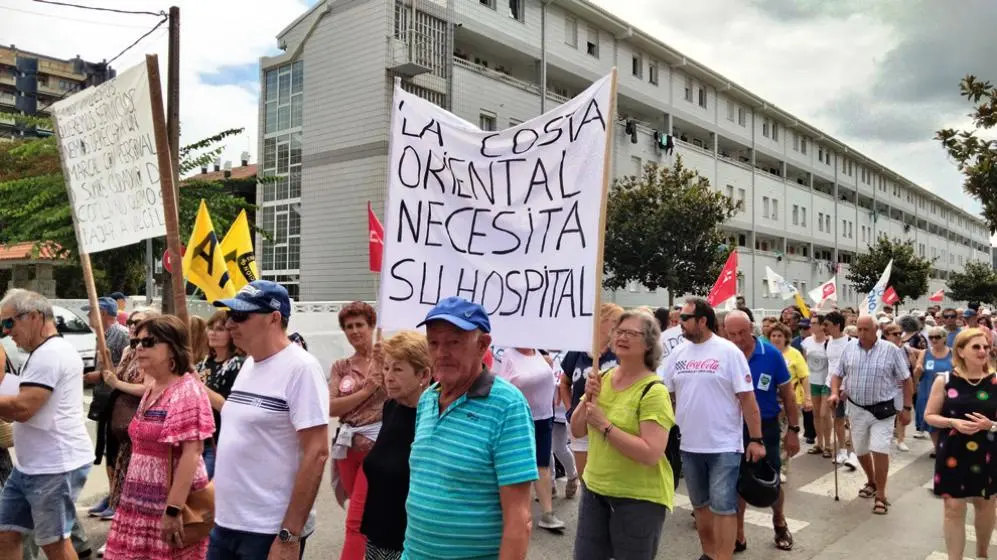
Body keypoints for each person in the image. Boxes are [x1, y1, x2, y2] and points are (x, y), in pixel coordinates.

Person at [404, 297, 537, 558]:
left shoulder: (507, 406)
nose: (442, 353)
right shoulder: (428, 399)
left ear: (482, 345)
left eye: (454, 342)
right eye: (434, 343)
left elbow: (519, 519)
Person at [209, 281, 329, 559]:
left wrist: (289, 535)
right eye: (229, 316)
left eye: (240, 316)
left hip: (266, 530)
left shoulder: (302, 368)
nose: (229, 324)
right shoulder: (250, 363)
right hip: (226, 523)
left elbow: (317, 453)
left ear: (274, 319)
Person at [102, 315, 216, 559]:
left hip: (168, 502)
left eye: (149, 342)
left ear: (173, 348)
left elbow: (191, 453)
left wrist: (173, 510)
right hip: (140, 501)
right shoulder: (153, 388)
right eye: (136, 343)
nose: (139, 348)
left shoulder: (186, 390)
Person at [660, 299, 765, 560]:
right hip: (689, 445)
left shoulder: (728, 352)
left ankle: (724, 557)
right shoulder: (678, 354)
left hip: (724, 446)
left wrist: (756, 439)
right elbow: (665, 393)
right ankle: (709, 553)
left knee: (723, 506)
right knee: (701, 507)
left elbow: (748, 399)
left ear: (703, 321)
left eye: (684, 318)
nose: (679, 323)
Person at [570, 310, 674, 560]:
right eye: (619, 331)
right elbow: (576, 430)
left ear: (649, 343)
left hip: (638, 499)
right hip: (595, 490)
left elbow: (650, 453)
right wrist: (586, 401)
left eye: (631, 333)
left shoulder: (653, 391)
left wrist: (606, 426)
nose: (622, 337)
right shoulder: (602, 378)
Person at [0, 289, 94, 560]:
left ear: (33, 317)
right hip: (33, 466)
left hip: (54, 467)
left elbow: (24, 407)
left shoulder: (50, 354)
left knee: (54, 543)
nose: (6, 331)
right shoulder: (43, 352)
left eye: (9, 322)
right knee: (6, 532)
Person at [725, 314, 801, 552]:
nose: (737, 339)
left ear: (752, 330)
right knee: (736, 480)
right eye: (731, 334)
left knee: (771, 479)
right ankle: (738, 534)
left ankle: (779, 522)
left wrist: (793, 430)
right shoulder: (725, 354)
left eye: (741, 333)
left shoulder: (771, 355)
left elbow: (788, 396)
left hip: (766, 425)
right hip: (733, 427)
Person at [828, 316, 913, 515]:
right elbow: (838, 374)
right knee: (861, 450)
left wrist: (907, 408)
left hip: (882, 410)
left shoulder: (890, 350)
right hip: (857, 408)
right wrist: (834, 392)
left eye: (867, 329)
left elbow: (906, 380)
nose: (862, 333)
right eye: (859, 329)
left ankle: (881, 495)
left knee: (879, 448)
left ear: (876, 330)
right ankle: (872, 481)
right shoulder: (849, 348)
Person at [924, 328, 997, 560]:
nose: (982, 351)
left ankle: (982, 554)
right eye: (976, 347)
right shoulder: (944, 380)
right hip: (953, 453)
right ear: (961, 351)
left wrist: (991, 425)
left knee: (985, 505)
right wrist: (952, 421)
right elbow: (929, 415)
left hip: (988, 452)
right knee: (953, 508)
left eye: (985, 346)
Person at [359, 331, 432, 560]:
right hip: (376, 537)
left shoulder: (432, 419)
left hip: (410, 544)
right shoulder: (391, 407)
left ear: (423, 374)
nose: (388, 376)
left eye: (398, 369)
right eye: (387, 368)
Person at [98, 307, 158, 558]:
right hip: (121, 424)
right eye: (131, 324)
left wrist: (116, 383)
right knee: (118, 477)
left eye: (139, 323)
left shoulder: (153, 354)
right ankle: (118, 536)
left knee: (139, 490)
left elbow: (147, 388)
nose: (133, 327)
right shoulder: (127, 350)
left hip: (141, 423)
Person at [329, 301, 386, 560]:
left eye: (359, 325)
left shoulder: (388, 360)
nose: (354, 331)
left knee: (356, 520)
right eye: (349, 327)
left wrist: (387, 365)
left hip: (379, 450)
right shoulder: (341, 366)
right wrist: (366, 390)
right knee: (366, 514)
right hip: (347, 449)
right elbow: (330, 407)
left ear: (372, 326)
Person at [496, 348, 565, 531]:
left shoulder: (538, 353)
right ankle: (518, 515)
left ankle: (547, 514)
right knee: (521, 467)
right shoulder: (509, 355)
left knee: (542, 464)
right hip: (521, 418)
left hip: (544, 416)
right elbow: (503, 386)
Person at [558, 303, 622, 482]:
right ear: (601, 321)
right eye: (615, 321)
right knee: (587, 482)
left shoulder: (620, 351)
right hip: (582, 426)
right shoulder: (577, 351)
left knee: (609, 480)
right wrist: (571, 410)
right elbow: (564, 383)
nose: (620, 326)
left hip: (611, 424)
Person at [82, 297, 130, 521]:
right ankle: (111, 494)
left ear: (102, 313)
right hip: (102, 397)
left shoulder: (119, 334)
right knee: (104, 450)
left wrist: (97, 376)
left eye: (91, 312)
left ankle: (118, 497)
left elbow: (121, 367)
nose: (89, 317)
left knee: (114, 451)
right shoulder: (101, 335)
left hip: (116, 399)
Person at [194, 310, 245, 479]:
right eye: (211, 327)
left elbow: (226, 406)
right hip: (197, 439)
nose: (213, 332)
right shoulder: (203, 364)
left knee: (203, 493)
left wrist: (198, 383)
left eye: (220, 329)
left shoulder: (237, 364)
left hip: (219, 441)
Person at [820, 311, 859, 470]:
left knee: (853, 422)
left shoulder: (851, 342)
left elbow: (854, 368)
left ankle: (855, 454)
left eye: (827, 325)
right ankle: (842, 450)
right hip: (831, 386)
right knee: (837, 419)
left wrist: (847, 389)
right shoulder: (827, 342)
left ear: (837, 325)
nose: (824, 328)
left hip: (848, 388)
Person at [913, 326, 953, 455]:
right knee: (932, 424)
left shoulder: (952, 353)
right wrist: (918, 370)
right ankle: (938, 449)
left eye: (937, 337)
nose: (934, 340)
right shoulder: (925, 353)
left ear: (944, 338)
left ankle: (945, 446)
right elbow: (917, 373)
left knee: (946, 421)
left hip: (948, 393)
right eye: (931, 337)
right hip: (927, 392)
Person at [802, 315, 832, 458]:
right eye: (811, 323)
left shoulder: (829, 342)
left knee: (824, 414)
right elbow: (804, 361)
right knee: (815, 414)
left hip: (826, 381)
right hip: (813, 381)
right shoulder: (807, 341)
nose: (811, 326)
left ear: (822, 326)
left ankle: (828, 445)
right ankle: (819, 443)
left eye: (814, 323)